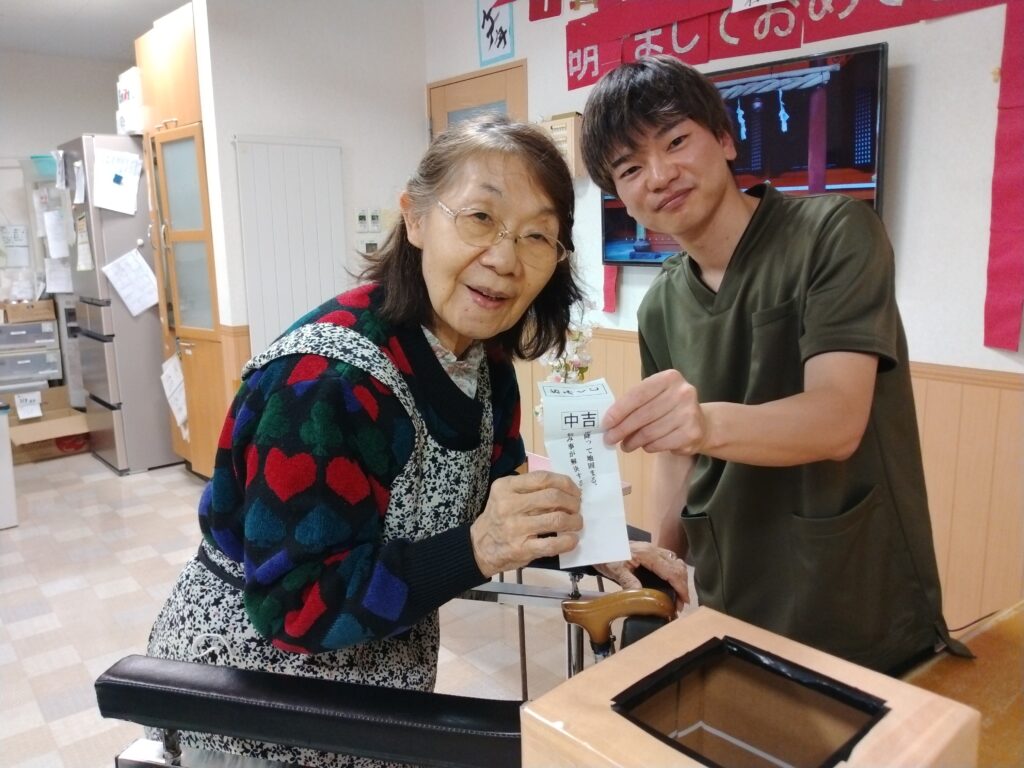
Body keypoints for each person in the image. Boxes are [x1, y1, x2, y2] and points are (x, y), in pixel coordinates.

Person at [147, 114, 682, 767]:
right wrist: (479, 548)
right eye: (480, 218)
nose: (505, 259)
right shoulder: (324, 382)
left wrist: (595, 544)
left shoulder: (483, 364)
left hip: (379, 696)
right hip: (252, 704)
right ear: (416, 218)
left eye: (537, 235)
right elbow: (293, 606)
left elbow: (496, 508)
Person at [579, 55, 970, 674]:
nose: (659, 174)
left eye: (676, 141)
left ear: (725, 139)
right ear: (622, 197)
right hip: (732, 586)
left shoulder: (835, 234)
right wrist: (660, 573)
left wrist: (703, 424)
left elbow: (838, 420)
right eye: (630, 168)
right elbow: (676, 457)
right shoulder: (660, 305)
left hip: (850, 586)